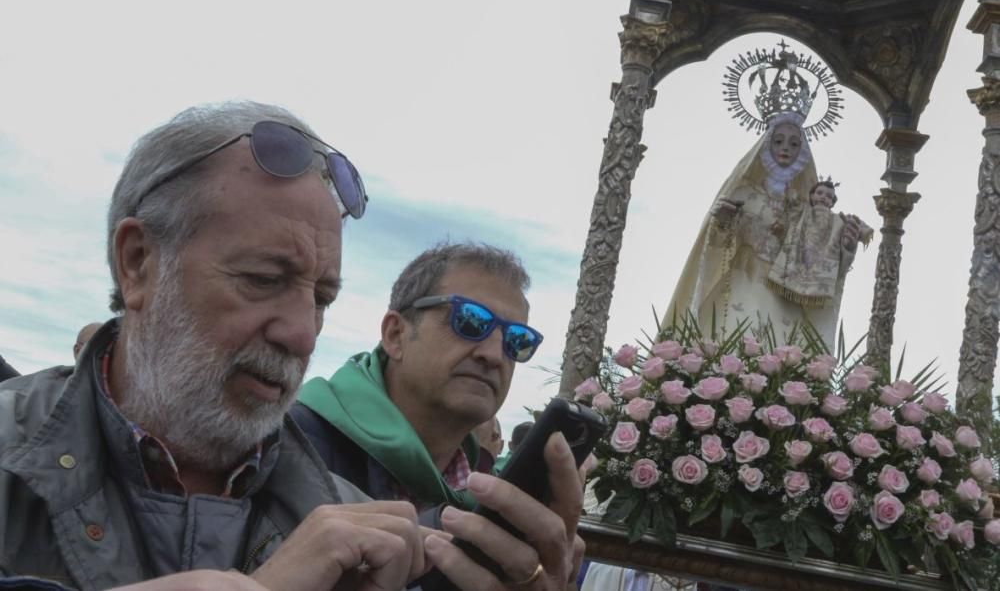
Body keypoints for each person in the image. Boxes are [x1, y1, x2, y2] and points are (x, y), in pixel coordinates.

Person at [0, 103, 581, 591]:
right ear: (138, 264)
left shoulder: (360, 530)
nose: (302, 334)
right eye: (262, 279)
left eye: (322, 298)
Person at [293, 243, 584, 587]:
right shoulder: (286, 447)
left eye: (516, 340)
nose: (493, 355)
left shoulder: (489, 497)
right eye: (470, 321)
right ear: (395, 335)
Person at [664, 112, 860, 349]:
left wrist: (845, 247)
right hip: (740, 281)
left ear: (802, 152)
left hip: (784, 290)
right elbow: (718, 244)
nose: (785, 148)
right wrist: (723, 222)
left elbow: (816, 257)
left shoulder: (805, 209)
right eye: (778, 141)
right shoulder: (743, 193)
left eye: (794, 143)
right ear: (767, 145)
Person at [767, 178, 872, 311]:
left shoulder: (838, 219)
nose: (823, 197)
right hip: (797, 255)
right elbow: (789, 203)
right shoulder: (802, 210)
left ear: (832, 202)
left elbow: (862, 229)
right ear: (811, 195)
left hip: (822, 259)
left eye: (829, 196)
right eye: (820, 193)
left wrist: (851, 238)